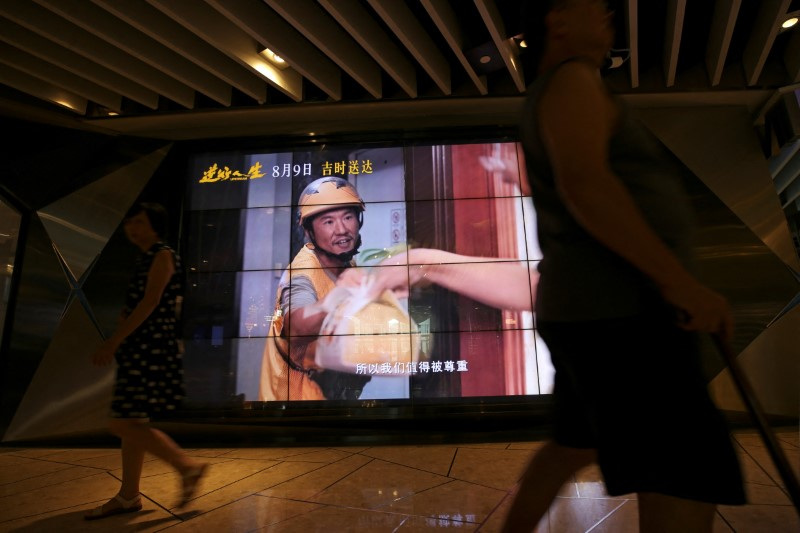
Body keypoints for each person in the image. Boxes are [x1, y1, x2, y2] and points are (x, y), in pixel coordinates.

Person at [500, 1, 744, 531]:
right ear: (556, 21)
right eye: (591, 5)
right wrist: (680, 283)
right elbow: (586, 184)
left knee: (572, 443)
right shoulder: (571, 80)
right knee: (683, 470)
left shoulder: (564, 86)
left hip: (590, 310)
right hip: (623, 311)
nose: (607, 12)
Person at [85, 202, 208, 520]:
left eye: (138, 222)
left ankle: (187, 467)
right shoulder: (146, 258)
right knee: (132, 424)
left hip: (150, 348)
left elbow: (150, 302)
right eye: (129, 223)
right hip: (140, 348)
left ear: (154, 225)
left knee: (120, 423)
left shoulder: (162, 254)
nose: (132, 228)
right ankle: (128, 496)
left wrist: (114, 341)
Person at [259, 177, 373, 401]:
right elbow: (296, 325)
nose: (342, 230)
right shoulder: (302, 275)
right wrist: (339, 298)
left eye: (348, 217)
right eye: (328, 222)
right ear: (309, 230)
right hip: (293, 411)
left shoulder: (345, 263)